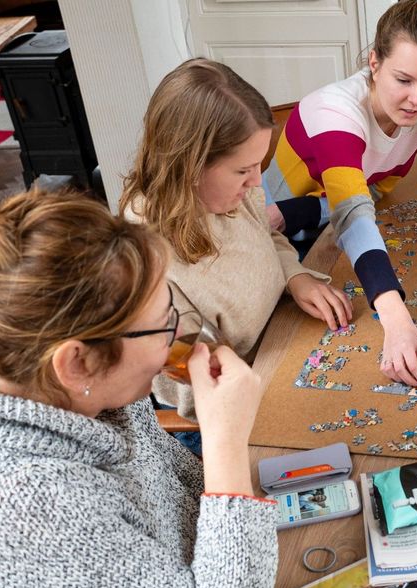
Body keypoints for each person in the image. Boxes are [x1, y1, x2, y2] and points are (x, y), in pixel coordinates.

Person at [0, 190, 278, 588]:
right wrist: (225, 443)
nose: (178, 338)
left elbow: (169, 482)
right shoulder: (31, 507)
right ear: (76, 362)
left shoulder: (79, 384)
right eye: (161, 325)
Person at [121, 58, 352, 420]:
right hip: (232, 407)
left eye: (259, 164)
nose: (257, 182)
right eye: (243, 170)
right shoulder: (144, 257)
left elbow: (267, 234)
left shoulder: (233, 192)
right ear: (190, 164)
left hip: (286, 342)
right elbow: (196, 372)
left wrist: (297, 276)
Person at [263, 0, 417, 388]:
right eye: (403, 80)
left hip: (328, 238)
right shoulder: (336, 114)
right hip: (279, 248)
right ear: (374, 62)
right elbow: (354, 213)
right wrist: (396, 315)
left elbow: (371, 194)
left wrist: (304, 209)